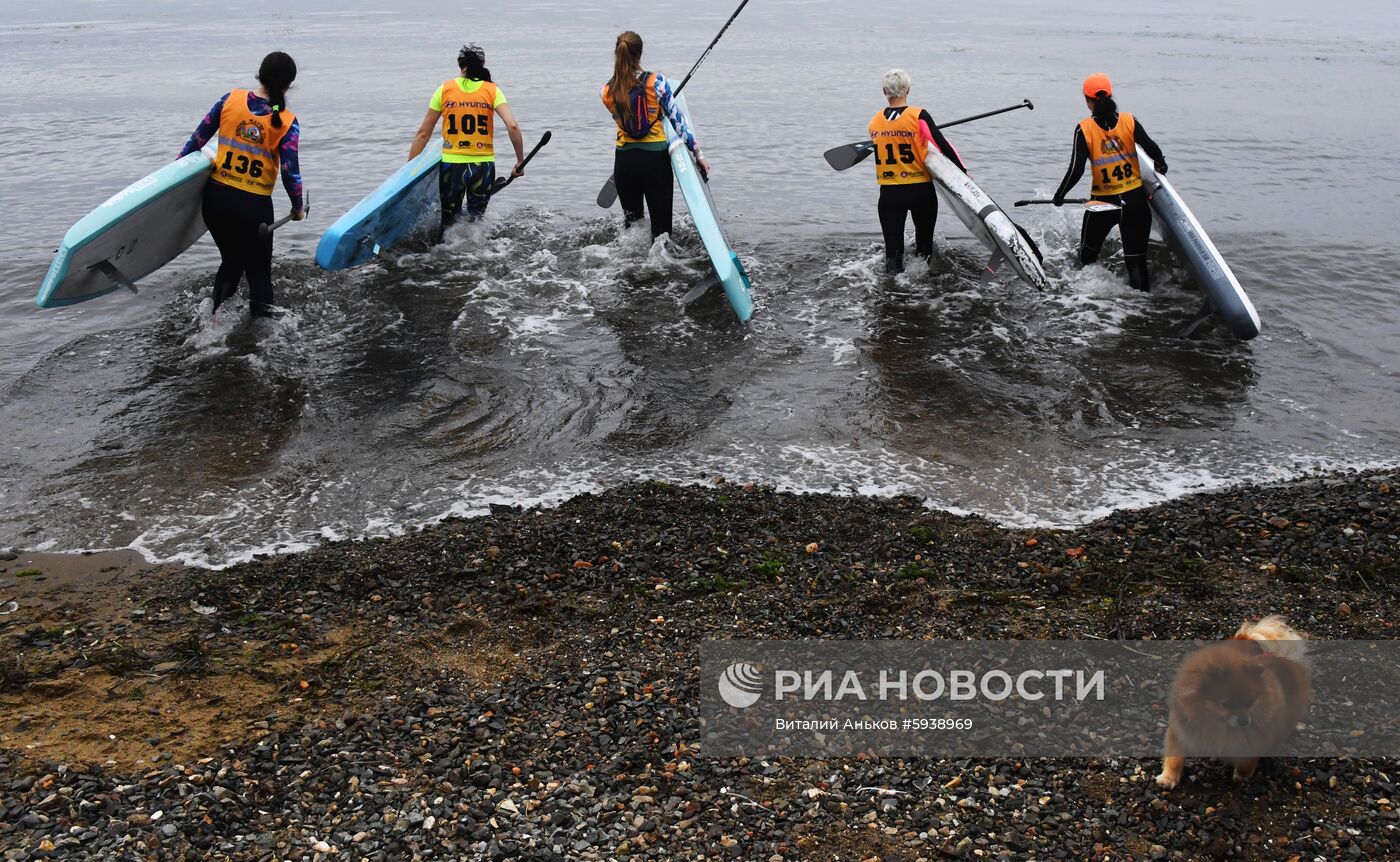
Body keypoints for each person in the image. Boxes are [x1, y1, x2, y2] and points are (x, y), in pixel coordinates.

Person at [180, 51, 304, 318]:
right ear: (288, 85)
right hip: (253, 208)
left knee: (232, 261)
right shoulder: (287, 122)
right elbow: (289, 172)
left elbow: (196, 142)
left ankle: (213, 321)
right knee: (259, 274)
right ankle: (262, 339)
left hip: (215, 202)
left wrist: (175, 181)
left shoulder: (229, 100)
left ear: (259, 74)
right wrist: (298, 207)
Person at [1052, 72, 1168, 291]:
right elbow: (1152, 148)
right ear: (1111, 95)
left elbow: (1076, 170)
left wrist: (1060, 195)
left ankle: (1085, 302)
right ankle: (1144, 311)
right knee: (1136, 263)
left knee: (1087, 259)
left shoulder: (1084, 129)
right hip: (1135, 202)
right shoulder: (1128, 121)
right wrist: (1161, 164)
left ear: (1088, 101)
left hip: (1103, 205)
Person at [601, 31, 710, 239]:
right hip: (655, 163)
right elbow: (679, 124)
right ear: (640, 54)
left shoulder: (606, 90)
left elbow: (627, 120)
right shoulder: (657, 83)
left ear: (618, 54)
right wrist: (699, 156)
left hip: (624, 163)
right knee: (661, 234)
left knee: (632, 232)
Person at [409, 44, 526, 237]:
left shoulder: (444, 89)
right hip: (483, 166)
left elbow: (423, 133)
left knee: (448, 223)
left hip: (452, 168)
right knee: (476, 224)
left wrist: (409, 172)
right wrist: (520, 161)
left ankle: (442, 257)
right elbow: (512, 125)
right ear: (483, 63)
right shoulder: (492, 90)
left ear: (459, 64)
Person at [868, 69, 967, 275]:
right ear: (908, 89)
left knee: (892, 258)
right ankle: (923, 292)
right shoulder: (918, 115)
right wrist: (964, 173)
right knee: (924, 252)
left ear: (884, 91)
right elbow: (943, 146)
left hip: (889, 194)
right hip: (920, 191)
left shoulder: (875, 121)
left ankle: (892, 293)